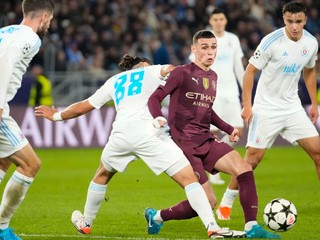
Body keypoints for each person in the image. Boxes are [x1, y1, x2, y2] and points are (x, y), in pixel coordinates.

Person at [34, 54, 245, 239]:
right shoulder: (151, 70)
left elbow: (83, 106)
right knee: (189, 179)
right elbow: (173, 70)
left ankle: (86, 224)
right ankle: (212, 227)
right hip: (150, 131)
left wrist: (56, 116)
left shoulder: (114, 80)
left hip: (121, 134)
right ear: (143, 65)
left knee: (102, 175)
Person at [147, 30, 280, 239]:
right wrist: (158, 117)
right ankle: (157, 217)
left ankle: (251, 226)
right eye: (205, 47)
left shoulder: (212, 76)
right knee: (208, 202)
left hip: (205, 138)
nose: (210, 52)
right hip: (184, 143)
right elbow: (154, 98)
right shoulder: (181, 72)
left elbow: (207, 111)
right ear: (194, 49)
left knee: (244, 169)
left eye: (213, 47)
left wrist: (228, 128)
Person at [216, 1, 320, 220]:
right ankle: (226, 203)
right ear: (284, 19)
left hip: (292, 107)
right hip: (265, 108)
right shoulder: (271, 41)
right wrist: (247, 106)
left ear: (305, 20)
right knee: (252, 160)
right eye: (290, 21)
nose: (294, 26)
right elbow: (249, 72)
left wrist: (313, 104)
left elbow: (309, 71)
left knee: (318, 153)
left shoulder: (310, 43)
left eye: (298, 22)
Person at [0, 0, 54, 239]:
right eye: (50, 21)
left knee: (4, 160)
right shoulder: (30, 38)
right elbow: (5, 64)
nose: (49, 25)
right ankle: (2, 228)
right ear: (43, 17)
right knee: (31, 164)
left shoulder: (6, 31)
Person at [189, 8, 245, 186]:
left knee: (237, 129)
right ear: (211, 21)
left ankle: (218, 160)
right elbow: (194, 64)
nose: (219, 22)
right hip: (211, 90)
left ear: (226, 20)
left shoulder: (233, 39)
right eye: (216, 19)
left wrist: (246, 90)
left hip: (231, 91)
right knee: (211, 131)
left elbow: (238, 65)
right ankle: (214, 170)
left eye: (222, 18)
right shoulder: (203, 38)